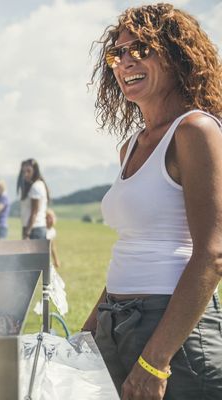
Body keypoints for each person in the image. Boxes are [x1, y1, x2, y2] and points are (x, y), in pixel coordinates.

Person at [82, 4, 222, 399]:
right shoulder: (130, 146)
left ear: (176, 56)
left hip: (173, 331)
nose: (125, 61)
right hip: (117, 323)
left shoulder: (195, 130)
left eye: (140, 49)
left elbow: (212, 254)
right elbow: (130, 250)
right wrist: (88, 333)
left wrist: (155, 359)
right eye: (117, 54)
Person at [17, 159, 49, 239]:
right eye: (23, 171)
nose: (25, 174)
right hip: (31, 228)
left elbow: (34, 212)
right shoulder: (33, 186)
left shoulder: (36, 186)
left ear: (35, 171)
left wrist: (27, 233)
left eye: (28, 171)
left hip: (34, 229)